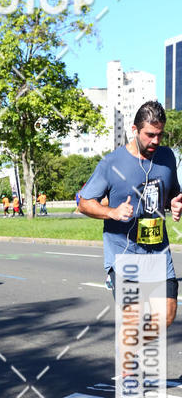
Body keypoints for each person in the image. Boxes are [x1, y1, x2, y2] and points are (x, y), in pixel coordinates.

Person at [79, 100, 182, 336]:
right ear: (134, 130)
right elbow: (84, 203)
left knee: (166, 314)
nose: (155, 141)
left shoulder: (167, 157)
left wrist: (176, 202)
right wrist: (112, 212)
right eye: (149, 135)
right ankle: (132, 371)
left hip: (158, 251)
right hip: (123, 253)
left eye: (160, 135)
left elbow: (171, 194)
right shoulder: (112, 163)